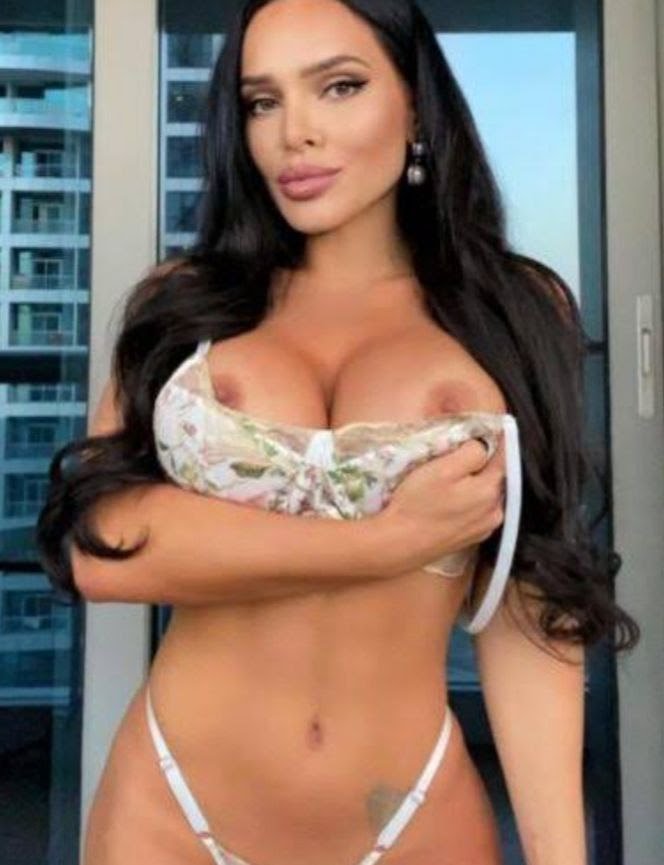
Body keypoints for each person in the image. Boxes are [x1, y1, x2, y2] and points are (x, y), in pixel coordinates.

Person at [36, 0, 639, 863]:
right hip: (170, 811)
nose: (296, 134)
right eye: (263, 101)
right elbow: (103, 550)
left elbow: (529, 603)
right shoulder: (185, 303)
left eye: (340, 87)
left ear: (416, 107)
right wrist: (386, 540)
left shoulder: (513, 309)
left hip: (411, 818)